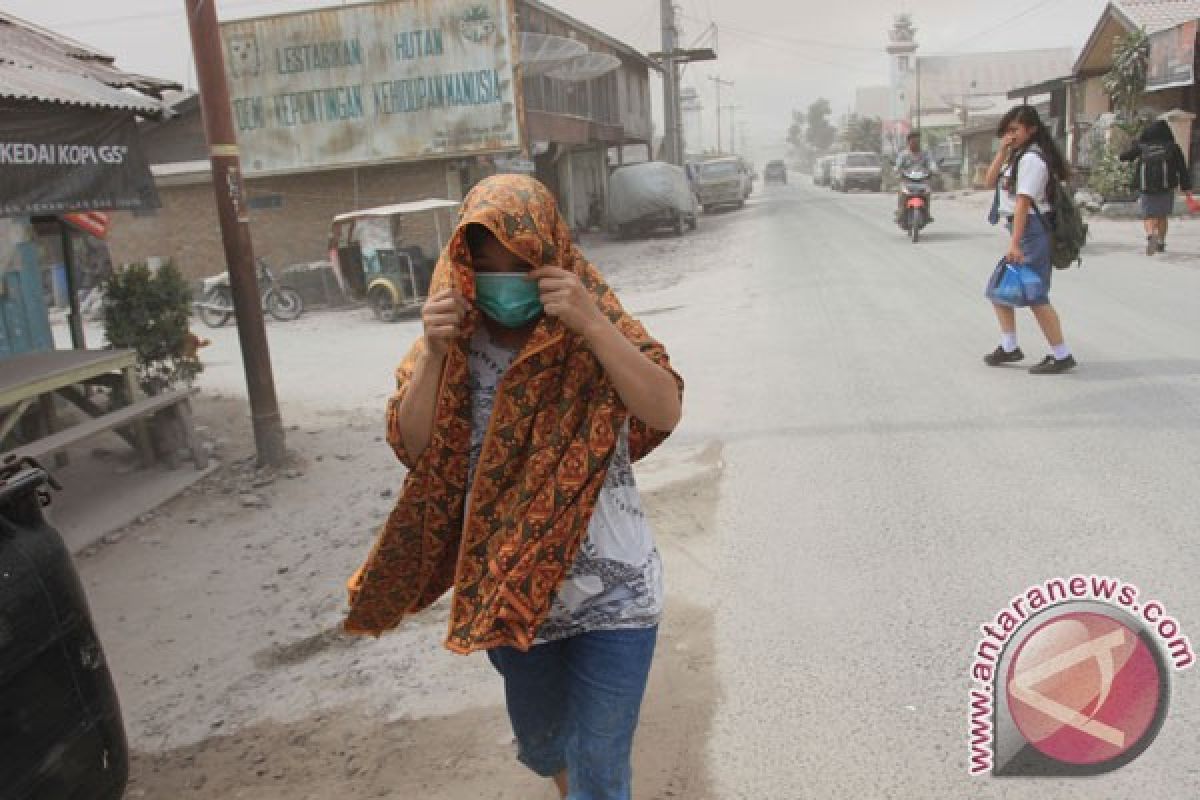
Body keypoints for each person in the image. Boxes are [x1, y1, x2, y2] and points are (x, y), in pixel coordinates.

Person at [344, 174, 684, 800]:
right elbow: (412, 447)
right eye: (487, 266)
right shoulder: (450, 343)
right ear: (463, 263)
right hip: (509, 600)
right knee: (544, 747)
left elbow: (663, 409)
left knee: (602, 777)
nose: (505, 284)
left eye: (520, 266)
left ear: (552, 256)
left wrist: (590, 322)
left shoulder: (592, 327)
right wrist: (434, 353)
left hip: (618, 598)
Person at [983, 105, 1077, 375]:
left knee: (1035, 296)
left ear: (1032, 130)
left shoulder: (1032, 160)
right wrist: (1002, 151)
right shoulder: (1017, 156)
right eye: (1007, 131)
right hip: (1024, 230)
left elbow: (1023, 203)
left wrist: (1015, 243)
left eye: (1015, 130)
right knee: (998, 290)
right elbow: (989, 182)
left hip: (1032, 232)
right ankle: (1010, 346)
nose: (1010, 135)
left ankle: (1061, 354)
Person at [1120, 119, 1193, 256]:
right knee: (1162, 215)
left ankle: (1150, 234)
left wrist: (1125, 153)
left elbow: (1125, 156)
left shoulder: (1142, 147)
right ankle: (1160, 241)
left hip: (1146, 187)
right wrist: (1186, 187)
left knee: (1148, 215)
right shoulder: (1173, 147)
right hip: (1166, 187)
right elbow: (1182, 169)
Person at [895, 131, 937, 222]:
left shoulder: (925, 153)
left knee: (927, 193)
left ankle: (927, 212)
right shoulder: (903, 154)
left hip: (922, 180)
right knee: (902, 193)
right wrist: (897, 170)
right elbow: (898, 166)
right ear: (909, 142)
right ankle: (900, 212)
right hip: (907, 180)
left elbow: (931, 162)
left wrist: (934, 169)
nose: (915, 144)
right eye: (913, 142)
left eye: (917, 142)